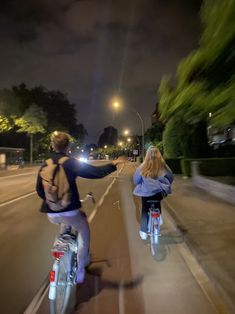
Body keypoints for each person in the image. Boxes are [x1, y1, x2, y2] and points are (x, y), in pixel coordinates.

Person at [36, 131, 124, 284]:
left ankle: (61, 243)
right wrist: (114, 164)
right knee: (83, 229)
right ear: (68, 146)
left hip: (51, 213)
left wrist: (53, 202)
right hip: (70, 210)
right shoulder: (70, 162)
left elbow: (39, 189)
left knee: (63, 221)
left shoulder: (45, 164)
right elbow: (95, 172)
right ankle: (81, 269)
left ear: (52, 145)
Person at [133, 146, 174, 240]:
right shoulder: (163, 166)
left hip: (146, 194)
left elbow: (136, 180)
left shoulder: (142, 167)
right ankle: (158, 216)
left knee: (144, 209)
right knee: (157, 200)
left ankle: (143, 231)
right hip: (159, 193)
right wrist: (166, 184)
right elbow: (171, 177)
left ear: (147, 155)